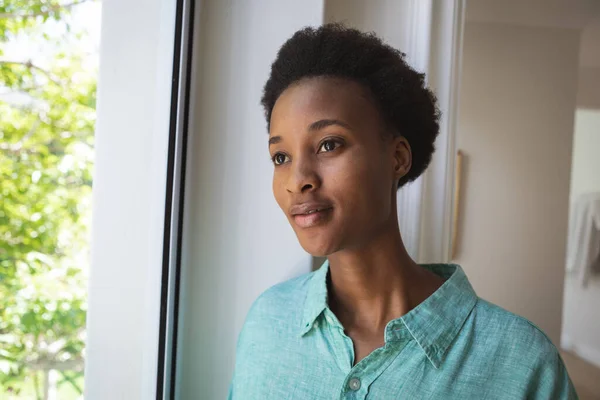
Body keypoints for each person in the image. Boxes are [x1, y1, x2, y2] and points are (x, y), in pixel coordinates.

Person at [228, 24, 577, 399]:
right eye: (280, 157)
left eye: (329, 144)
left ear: (397, 157)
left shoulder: (521, 363)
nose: (298, 180)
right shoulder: (266, 322)